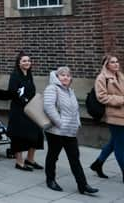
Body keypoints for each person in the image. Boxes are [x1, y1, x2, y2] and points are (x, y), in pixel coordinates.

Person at [43, 66, 98, 194]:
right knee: (53, 155)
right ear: (57, 77)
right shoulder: (52, 88)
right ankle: (50, 180)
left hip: (70, 131)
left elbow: (75, 110)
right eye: (62, 75)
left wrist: (77, 123)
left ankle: (82, 185)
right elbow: (48, 107)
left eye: (68, 75)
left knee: (74, 158)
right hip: (56, 131)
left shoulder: (70, 90)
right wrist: (60, 123)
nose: (66, 77)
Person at [7, 51, 44, 171]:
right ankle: (19, 161)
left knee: (37, 133)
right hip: (19, 110)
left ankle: (30, 159)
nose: (27, 63)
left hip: (31, 109)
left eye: (28, 61)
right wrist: (24, 99)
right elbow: (13, 92)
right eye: (24, 61)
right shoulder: (15, 76)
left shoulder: (29, 74)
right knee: (19, 135)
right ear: (18, 63)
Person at [93, 54, 124, 182]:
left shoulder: (120, 76)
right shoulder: (102, 78)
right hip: (115, 116)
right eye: (112, 62)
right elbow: (102, 97)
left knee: (114, 142)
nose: (116, 64)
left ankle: (98, 164)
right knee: (120, 146)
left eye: (117, 62)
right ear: (106, 64)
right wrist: (122, 100)